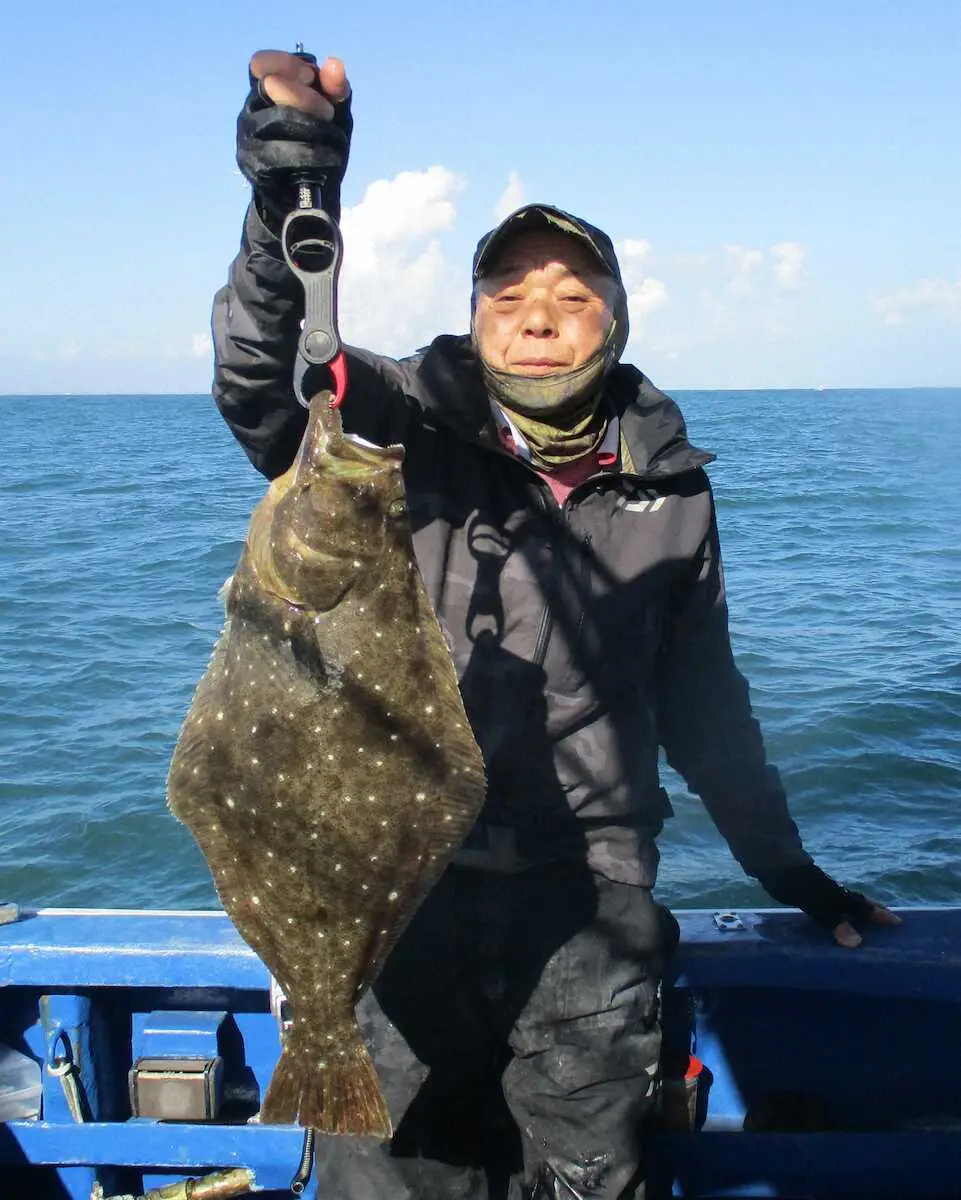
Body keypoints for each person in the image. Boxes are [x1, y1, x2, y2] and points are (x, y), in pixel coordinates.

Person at [212, 50, 901, 1200]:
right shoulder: (392, 423)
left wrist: (797, 878)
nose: (538, 318)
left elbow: (707, 710)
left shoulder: (670, 492)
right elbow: (262, 377)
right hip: (401, 892)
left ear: (614, 325)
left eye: (573, 297)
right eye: (507, 295)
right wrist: (290, 194)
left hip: (590, 907)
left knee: (591, 1180)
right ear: (472, 321)